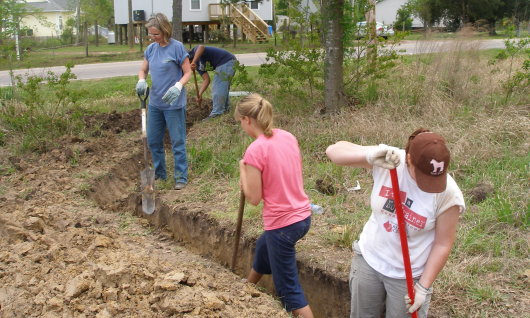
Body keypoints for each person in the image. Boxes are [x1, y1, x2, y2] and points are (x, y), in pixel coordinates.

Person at [326, 128, 465, 318]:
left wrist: (423, 287)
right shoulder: (390, 160)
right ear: (409, 160)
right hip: (369, 260)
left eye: (435, 178)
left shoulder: (448, 194)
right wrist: (369, 156)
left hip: (409, 277)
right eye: (423, 176)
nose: (430, 185)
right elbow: (334, 151)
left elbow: (443, 243)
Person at [236, 94, 314, 318]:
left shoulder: (255, 150)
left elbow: (253, 198)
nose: (241, 126)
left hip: (282, 225)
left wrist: (243, 168)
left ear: (247, 120)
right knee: (263, 245)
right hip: (302, 216)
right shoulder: (287, 136)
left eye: (240, 122)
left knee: (288, 292)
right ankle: (247, 287)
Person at [135, 13, 191, 190]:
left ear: (165, 31)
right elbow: (143, 70)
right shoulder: (151, 49)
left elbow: (188, 72)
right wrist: (141, 80)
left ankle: (181, 177)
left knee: (177, 141)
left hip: (173, 104)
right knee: (153, 141)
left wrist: (178, 86)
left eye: (156, 34)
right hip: (155, 104)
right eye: (150, 35)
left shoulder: (177, 47)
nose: (153, 38)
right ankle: (160, 173)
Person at [188, 45, 237, 119]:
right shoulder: (197, 66)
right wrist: (199, 94)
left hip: (227, 61)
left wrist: (193, 62)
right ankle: (226, 109)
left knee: (218, 87)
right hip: (226, 64)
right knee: (223, 87)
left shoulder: (195, 51)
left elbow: (201, 47)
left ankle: (217, 113)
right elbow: (206, 80)